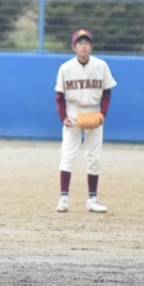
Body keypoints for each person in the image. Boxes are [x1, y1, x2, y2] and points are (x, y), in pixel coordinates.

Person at [54, 29, 117, 213]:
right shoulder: (65, 68)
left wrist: (102, 114)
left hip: (93, 112)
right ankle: (64, 198)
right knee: (68, 155)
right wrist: (63, 117)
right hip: (73, 113)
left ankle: (92, 199)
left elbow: (107, 93)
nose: (83, 46)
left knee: (94, 158)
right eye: (80, 43)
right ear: (74, 47)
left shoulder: (101, 66)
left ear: (91, 46)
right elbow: (59, 96)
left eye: (87, 43)